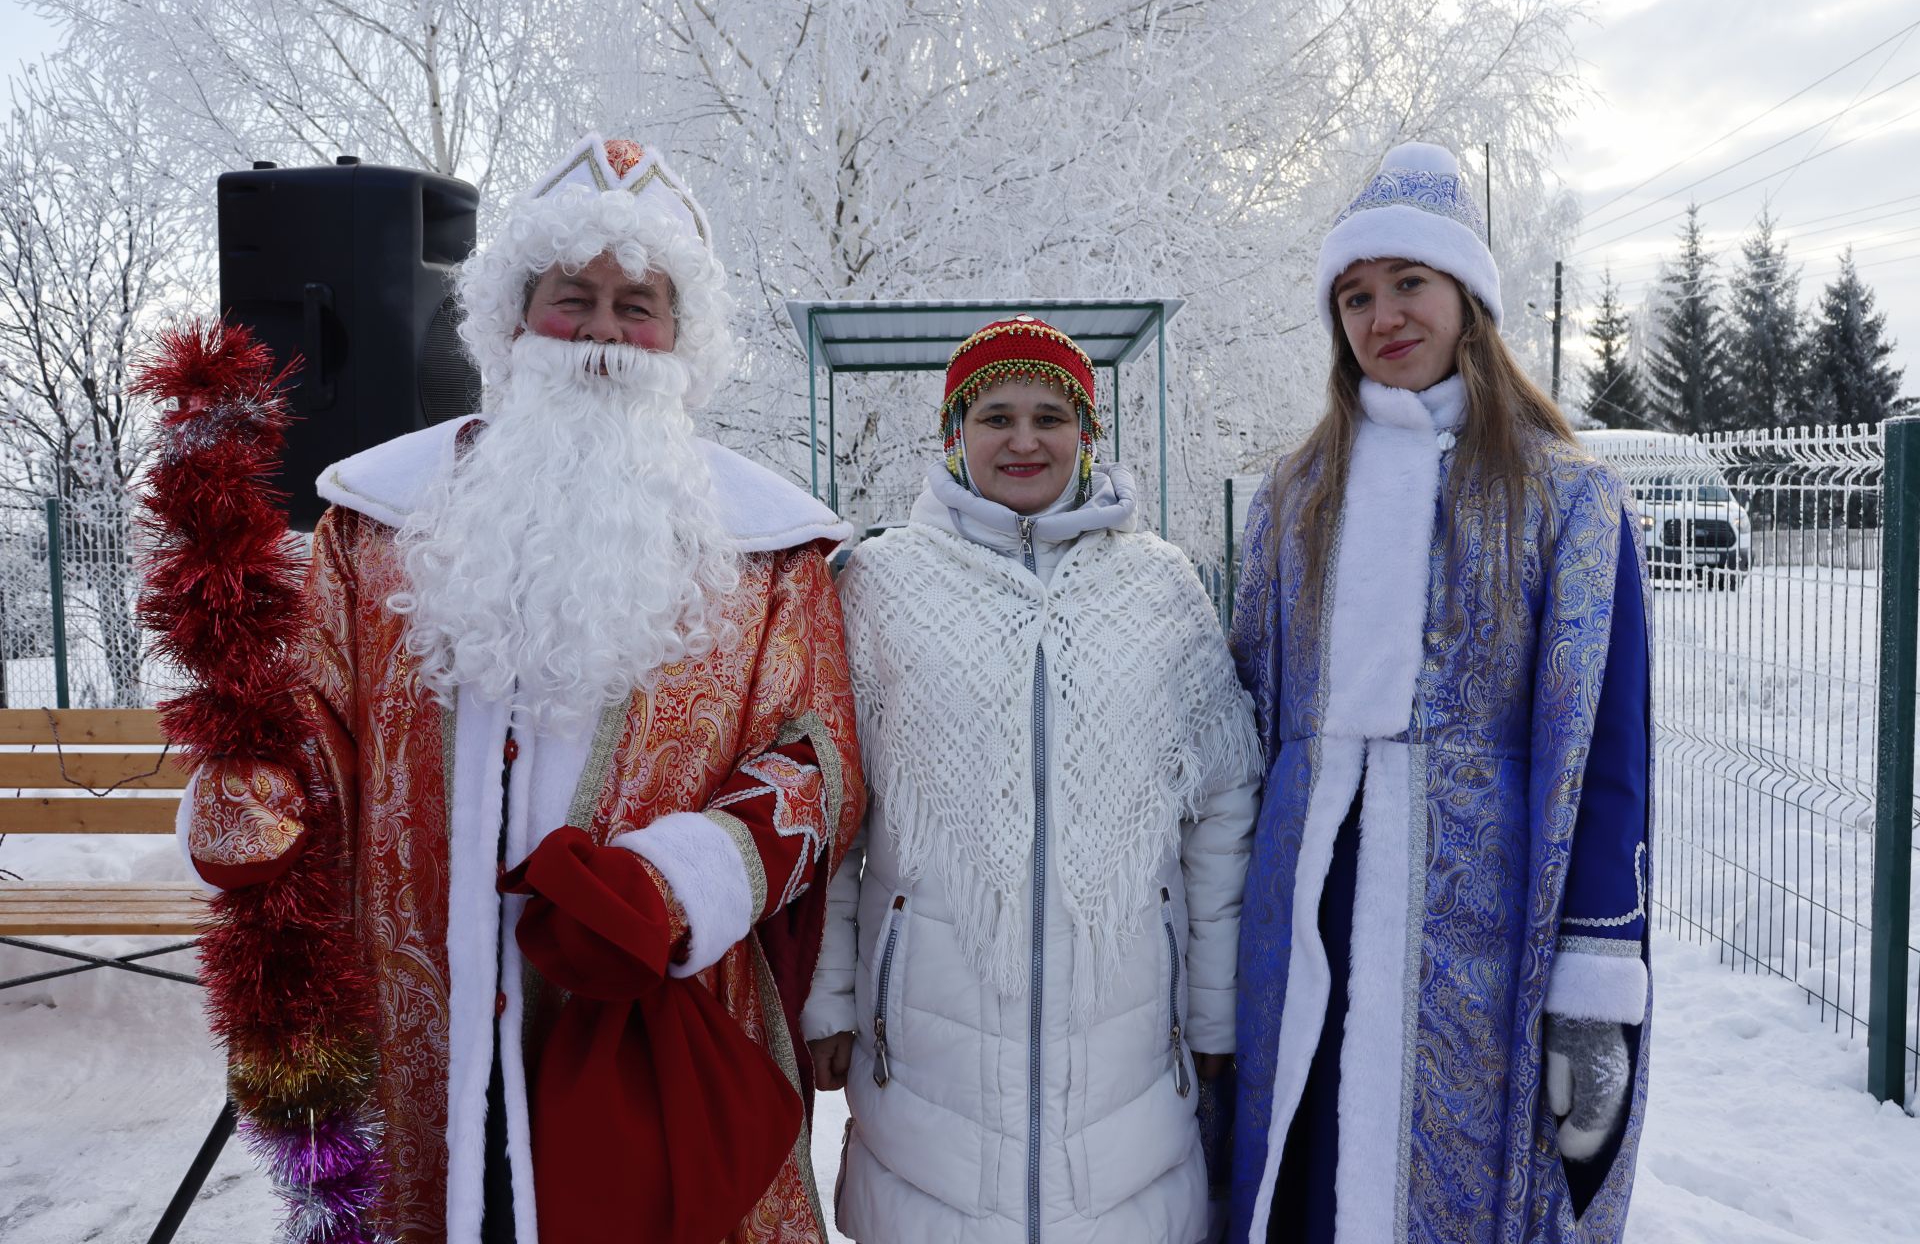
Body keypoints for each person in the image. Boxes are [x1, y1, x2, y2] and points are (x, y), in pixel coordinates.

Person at [176, 134, 864, 1243]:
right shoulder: (378, 522)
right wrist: (255, 791)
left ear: (682, 337)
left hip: (650, 1013)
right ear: (512, 317)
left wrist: (678, 887)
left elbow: (818, 757)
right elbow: (315, 719)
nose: (601, 333)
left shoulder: (771, 549)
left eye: (637, 303)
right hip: (425, 1023)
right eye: (571, 297)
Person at [1227, 143, 1651, 1243]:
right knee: (1303, 1176)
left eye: (1409, 282)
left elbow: (1606, 748)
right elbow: (1243, 721)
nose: (1383, 316)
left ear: (1468, 297)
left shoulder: (1566, 500)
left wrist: (1596, 972)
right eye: (1356, 296)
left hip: (1479, 924)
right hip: (1306, 898)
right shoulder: (1295, 495)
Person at [802, 315, 1261, 1243]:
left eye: (1050, 416)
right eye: (995, 415)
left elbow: (1221, 808)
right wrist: (831, 996)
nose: (1023, 440)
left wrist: (1215, 1012)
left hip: (1130, 1061)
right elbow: (834, 813)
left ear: (1087, 435)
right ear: (953, 434)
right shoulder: (879, 583)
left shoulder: (1160, 587)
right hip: (926, 1059)